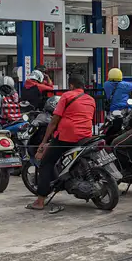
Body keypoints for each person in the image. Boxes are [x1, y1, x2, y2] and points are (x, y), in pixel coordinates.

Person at [27, 73, 96, 210]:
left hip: (66, 138)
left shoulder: (67, 96)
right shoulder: (91, 99)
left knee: (46, 163)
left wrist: (44, 141)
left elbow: (53, 122)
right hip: (86, 137)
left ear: (71, 85)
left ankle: (40, 201)